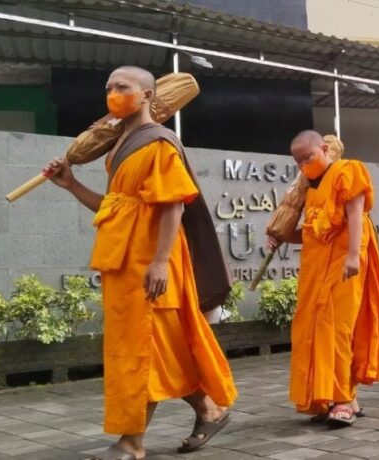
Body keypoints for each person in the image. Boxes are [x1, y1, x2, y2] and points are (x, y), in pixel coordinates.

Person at [43, 66, 237, 460]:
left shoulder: (160, 143)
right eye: (109, 87)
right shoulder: (120, 147)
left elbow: (172, 208)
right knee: (157, 346)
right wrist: (70, 184)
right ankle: (209, 409)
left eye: (123, 87)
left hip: (152, 261)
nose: (113, 92)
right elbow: (114, 207)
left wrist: (161, 263)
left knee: (142, 349)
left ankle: (131, 442)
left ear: (148, 95)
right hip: (124, 263)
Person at [267, 130, 379, 426]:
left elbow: (355, 213)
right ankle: (334, 397)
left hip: (346, 262)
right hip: (316, 269)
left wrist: (352, 257)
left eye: (308, 157)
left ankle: (343, 399)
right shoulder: (309, 190)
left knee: (338, 329)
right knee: (313, 330)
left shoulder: (348, 170)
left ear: (323, 149)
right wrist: (282, 237)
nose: (303, 164)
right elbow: (312, 233)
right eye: (298, 161)